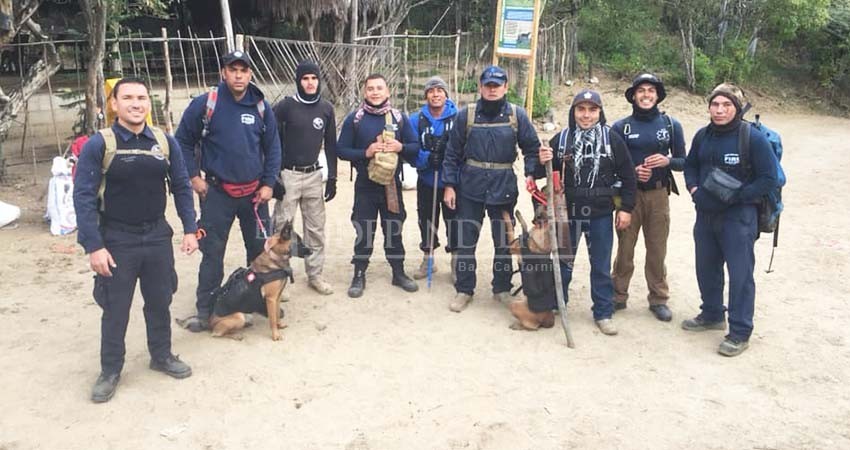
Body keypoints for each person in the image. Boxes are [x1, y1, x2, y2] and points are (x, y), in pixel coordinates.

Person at [73, 77, 199, 403]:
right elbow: (84, 197)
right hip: (117, 240)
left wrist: (189, 228)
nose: (136, 103)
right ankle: (111, 370)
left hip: (157, 235)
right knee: (115, 309)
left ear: (148, 102)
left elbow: (182, 187)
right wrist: (94, 246)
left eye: (142, 97)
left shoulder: (163, 142)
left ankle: (162, 355)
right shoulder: (99, 145)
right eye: (127, 97)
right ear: (113, 104)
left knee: (160, 301)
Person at [175, 50, 281, 331]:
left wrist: (269, 183)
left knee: (260, 252)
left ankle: (257, 301)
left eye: (243, 70)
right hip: (217, 195)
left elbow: (273, 147)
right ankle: (205, 309)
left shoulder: (260, 106)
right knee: (212, 253)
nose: (238, 75)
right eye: (232, 69)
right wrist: (194, 178)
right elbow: (182, 142)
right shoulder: (206, 104)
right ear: (224, 72)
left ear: (250, 74)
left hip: (255, 197)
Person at [682, 83, 778, 357]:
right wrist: (693, 189)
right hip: (705, 215)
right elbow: (691, 166)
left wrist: (736, 197)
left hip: (739, 218)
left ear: (737, 108)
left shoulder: (752, 138)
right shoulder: (703, 135)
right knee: (706, 267)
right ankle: (712, 313)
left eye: (726, 105)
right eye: (715, 104)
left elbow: (768, 179)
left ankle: (739, 332)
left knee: (740, 275)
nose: (720, 110)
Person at [442, 65, 541, 313]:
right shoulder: (466, 116)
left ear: (506, 87)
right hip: (470, 187)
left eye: (497, 85)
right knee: (466, 243)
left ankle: (502, 288)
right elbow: (452, 153)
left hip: (503, 188)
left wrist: (531, 172)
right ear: (481, 87)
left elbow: (532, 148)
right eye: (488, 85)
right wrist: (450, 186)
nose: (492, 89)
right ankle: (464, 290)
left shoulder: (517, 116)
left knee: (504, 243)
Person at [537, 89, 636, 335]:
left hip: (601, 212)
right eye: (581, 109)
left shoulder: (612, 139)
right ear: (574, 112)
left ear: (600, 112)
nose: (586, 115)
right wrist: (542, 159)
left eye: (592, 110)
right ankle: (557, 303)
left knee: (600, 265)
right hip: (569, 213)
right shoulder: (561, 140)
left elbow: (628, 176)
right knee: (563, 262)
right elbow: (542, 173)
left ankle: (603, 312)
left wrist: (626, 209)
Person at [610, 73, 686, 322]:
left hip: (658, 194)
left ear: (657, 95)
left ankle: (658, 298)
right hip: (627, 197)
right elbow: (609, 165)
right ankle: (617, 295)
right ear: (633, 95)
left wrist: (667, 161)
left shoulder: (671, 126)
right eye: (641, 90)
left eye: (650, 91)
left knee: (657, 249)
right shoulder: (621, 127)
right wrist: (631, 172)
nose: (646, 94)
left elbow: (684, 162)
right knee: (624, 248)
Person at [337, 73, 420, 298]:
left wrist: (399, 146)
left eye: (379, 88)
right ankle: (359, 273)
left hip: (391, 185)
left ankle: (398, 272)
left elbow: (415, 147)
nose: (375, 92)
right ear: (365, 92)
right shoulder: (356, 118)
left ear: (387, 91)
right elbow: (341, 150)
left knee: (394, 229)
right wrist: (366, 152)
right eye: (370, 88)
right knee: (364, 229)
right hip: (365, 183)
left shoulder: (399, 118)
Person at [272, 60, 337, 295]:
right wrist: (274, 176)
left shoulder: (326, 109)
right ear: (298, 81)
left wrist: (333, 178)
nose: (310, 83)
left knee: (316, 229)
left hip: (313, 176)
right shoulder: (285, 107)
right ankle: (279, 277)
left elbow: (331, 144)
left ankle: (315, 275)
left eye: (314, 78)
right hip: (288, 175)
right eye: (305, 78)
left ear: (319, 80)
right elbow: (271, 139)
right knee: (282, 228)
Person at [409, 76, 459, 281]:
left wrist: (447, 157)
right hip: (427, 179)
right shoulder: (415, 119)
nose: (436, 94)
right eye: (431, 91)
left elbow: (463, 150)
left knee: (454, 220)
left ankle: (456, 261)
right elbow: (410, 149)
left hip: (452, 182)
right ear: (426, 95)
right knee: (427, 219)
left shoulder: (458, 117)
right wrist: (427, 157)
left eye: (440, 90)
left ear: (446, 94)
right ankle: (428, 258)